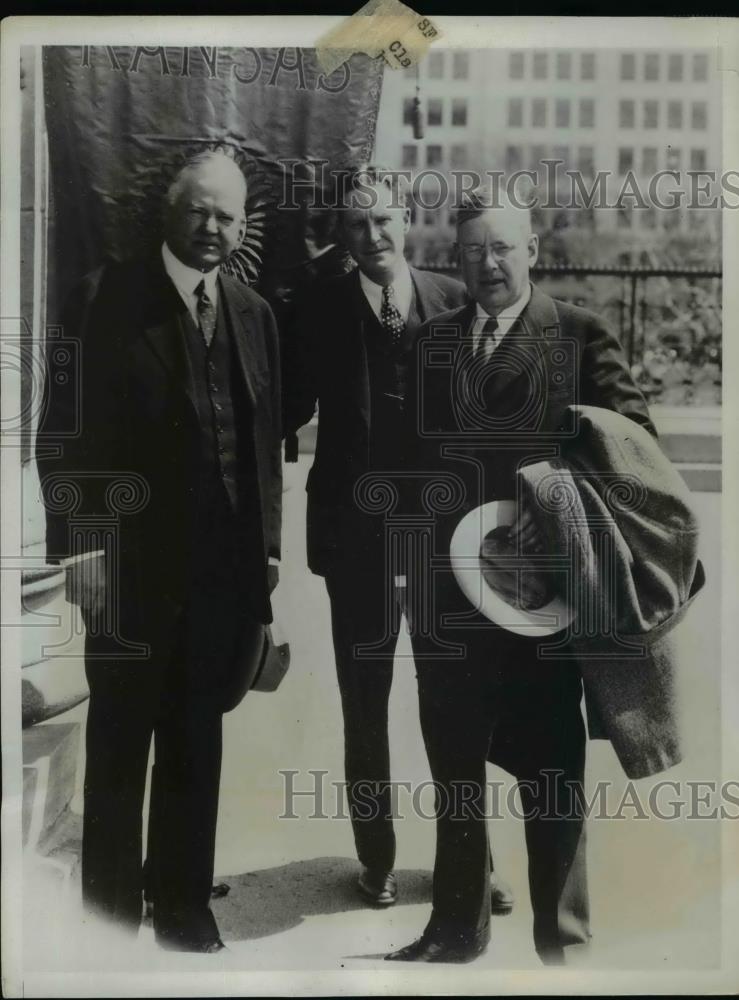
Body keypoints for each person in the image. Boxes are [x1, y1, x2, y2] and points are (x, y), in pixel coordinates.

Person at [386, 188, 659, 965]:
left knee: (550, 772)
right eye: (472, 250)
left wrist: (558, 506)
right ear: (458, 260)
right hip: (449, 598)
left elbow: (635, 448)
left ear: (531, 251)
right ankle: (454, 929)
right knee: (454, 767)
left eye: (502, 246)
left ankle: (561, 944)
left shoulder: (577, 334)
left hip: (541, 602)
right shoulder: (431, 340)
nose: (488, 263)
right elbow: (405, 465)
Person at [37, 149, 282, 953]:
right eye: (198, 211)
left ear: (243, 226)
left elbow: (262, 447)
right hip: (127, 567)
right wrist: (82, 553)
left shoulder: (252, 311)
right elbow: (65, 435)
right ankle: (107, 913)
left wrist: (267, 554)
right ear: (167, 214)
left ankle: (182, 905)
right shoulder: (104, 295)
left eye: (227, 216)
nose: (213, 228)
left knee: (195, 735)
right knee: (120, 738)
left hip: (221, 575)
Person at [283, 166, 514, 912]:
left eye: (382, 220)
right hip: (355, 540)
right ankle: (375, 859)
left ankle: (470, 864)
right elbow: (279, 403)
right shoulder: (316, 306)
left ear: (406, 219)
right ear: (341, 235)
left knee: (456, 700)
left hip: (443, 539)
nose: (372, 236)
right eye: (355, 224)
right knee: (365, 700)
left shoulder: (453, 298)